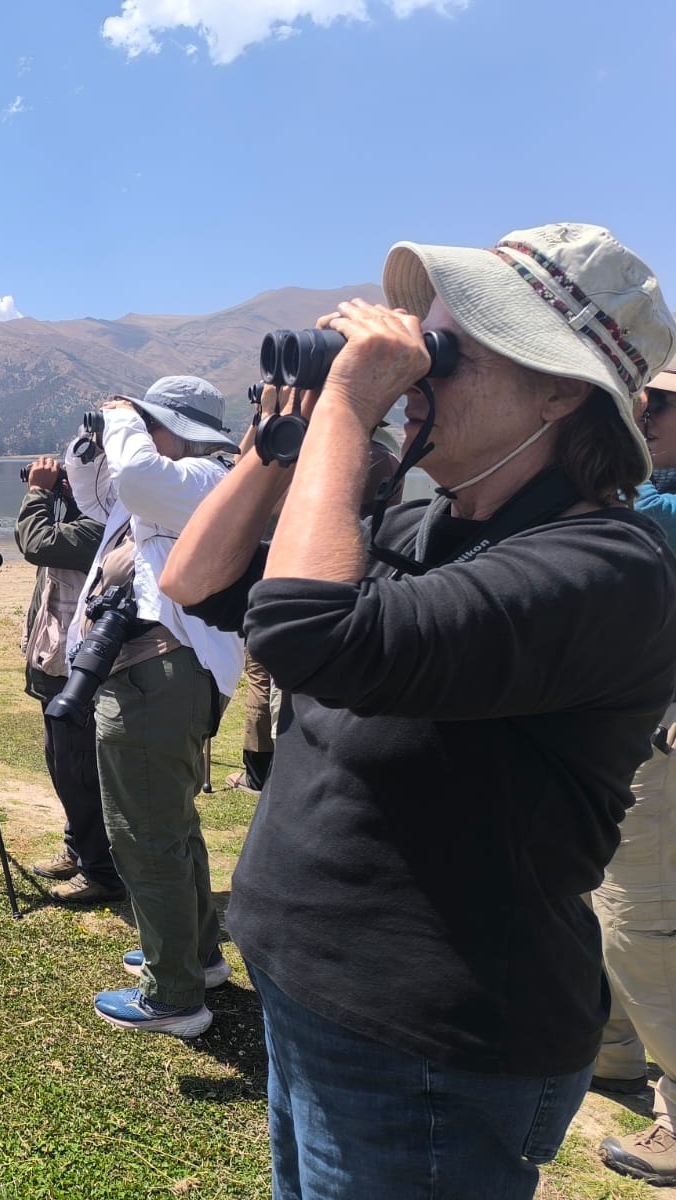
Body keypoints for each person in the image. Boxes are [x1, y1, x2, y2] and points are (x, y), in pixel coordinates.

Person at [159, 223, 676, 1199]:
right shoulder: (420, 519)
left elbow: (307, 633)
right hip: (310, 990)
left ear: (561, 392)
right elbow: (196, 582)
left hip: (431, 1043)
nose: (413, 372)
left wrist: (350, 404)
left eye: (446, 351)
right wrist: (282, 441)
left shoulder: (605, 567)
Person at [63, 376, 244, 1038]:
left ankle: (173, 995)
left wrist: (120, 418)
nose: (135, 430)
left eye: (147, 421)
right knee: (172, 825)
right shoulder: (179, 485)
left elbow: (136, 478)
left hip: (158, 678)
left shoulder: (202, 477)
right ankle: (195, 955)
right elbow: (99, 495)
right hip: (161, 676)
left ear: (174, 428)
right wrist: (91, 441)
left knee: (144, 835)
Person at [226, 415, 403, 795]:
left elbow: (263, 504)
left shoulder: (336, 459)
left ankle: (265, 773)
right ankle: (271, 772)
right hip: (337, 584)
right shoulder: (383, 458)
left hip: (303, 583)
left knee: (270, 684)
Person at [598, 364, 676, 1184]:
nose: (646, 415)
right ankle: (614, 1049)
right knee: (605, 895)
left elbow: (630, 508)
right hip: (641, 728)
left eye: (660, 404)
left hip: (664, 739)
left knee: (640, 914)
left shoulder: (660, 507)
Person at [16, 450, 123, 904]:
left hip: (76, 669)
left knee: (79, 772)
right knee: (63, 766)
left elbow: (35, 542)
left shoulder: (102, 527)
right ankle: (79, 849)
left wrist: (38, 493)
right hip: (57, 665)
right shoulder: (83, 522)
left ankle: (101, 871)